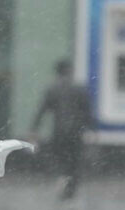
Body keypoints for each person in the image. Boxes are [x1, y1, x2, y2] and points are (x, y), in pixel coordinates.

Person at [30, 59, 93, 200]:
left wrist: (34, 129)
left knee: (61, 159)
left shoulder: (52, 90)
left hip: (59, 132)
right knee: (75, 162)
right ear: (70, 71)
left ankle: (63, 180)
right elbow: (87, 112)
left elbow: (42, 110)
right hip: (76, 133)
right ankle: (71, 188)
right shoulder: (79, 89)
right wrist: (91, 129)